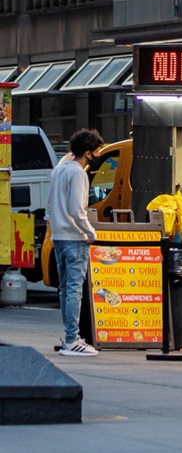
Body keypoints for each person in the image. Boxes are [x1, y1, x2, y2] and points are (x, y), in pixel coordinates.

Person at [49, 128, 104, 356]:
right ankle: (72, 339)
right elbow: (77, 209)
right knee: (74, 289)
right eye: (97, 151)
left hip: (58, 236)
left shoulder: (60, 169)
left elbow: (54, 204)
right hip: (74, 237)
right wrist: (90, 233)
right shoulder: (78, 174)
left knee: (64, 289)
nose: (99, 155)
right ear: (88, 153)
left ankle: (68, 336)